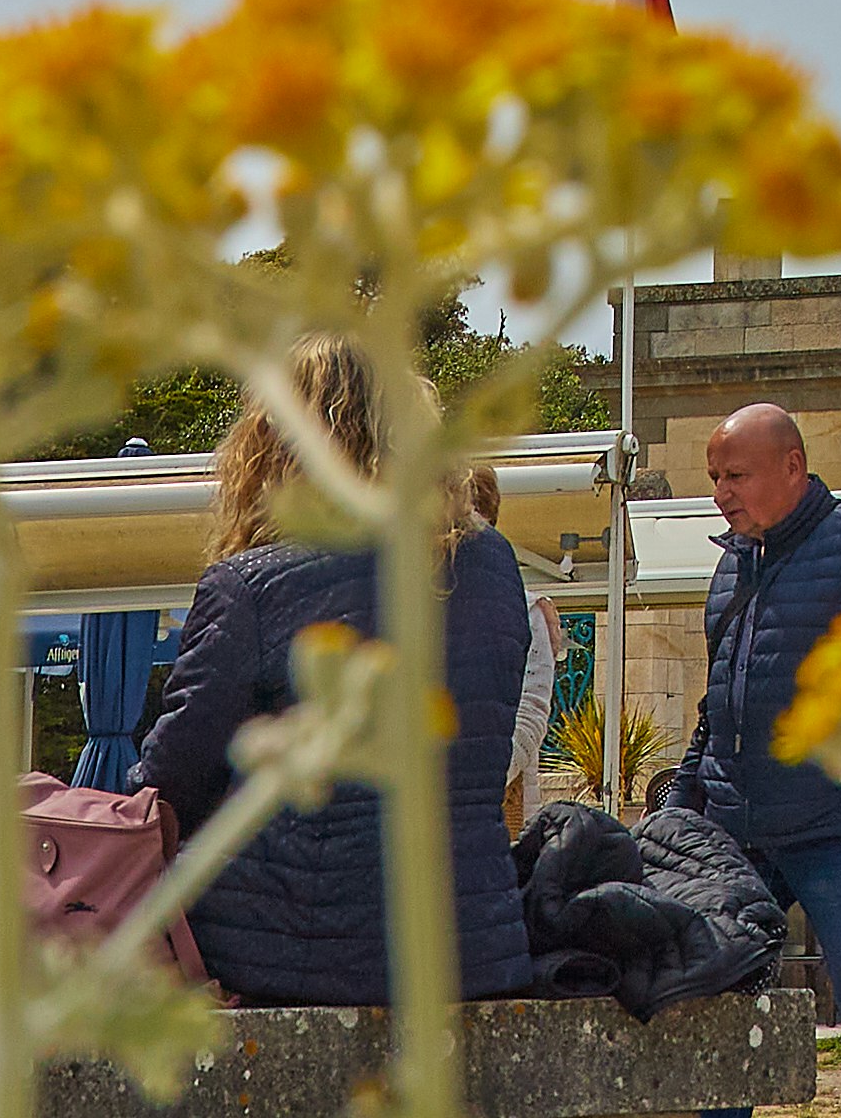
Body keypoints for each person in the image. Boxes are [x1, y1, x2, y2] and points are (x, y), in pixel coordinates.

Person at [145, 333, 550, 1007]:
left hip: (292, 958)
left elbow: (173, 777)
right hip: (467, 947)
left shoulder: (248, 587)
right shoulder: (491, 565)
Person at [669, 402, 841, 1118]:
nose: (720, 493)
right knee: (721, 996)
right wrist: (684, 798)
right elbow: (720, 697)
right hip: (737, 827)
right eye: (714, 477)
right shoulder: (732, 564)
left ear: (792, 467)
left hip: (836, 824)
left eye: (736, 475)